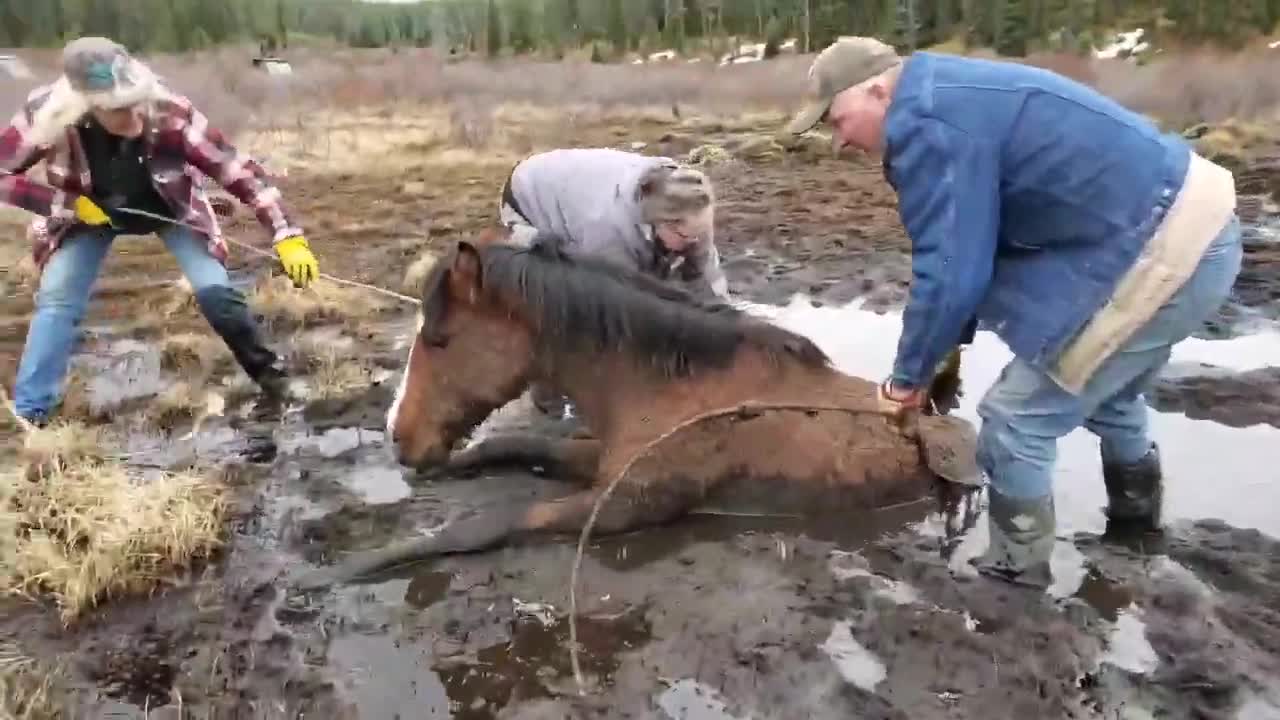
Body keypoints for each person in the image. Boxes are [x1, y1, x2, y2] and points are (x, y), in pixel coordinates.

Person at [784, 38, 1241, 588]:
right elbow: (976, 245)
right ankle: (1135, 535)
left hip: (1164, 249)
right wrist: (947, 355)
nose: (838, 142)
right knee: (1111, 393)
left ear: (877, 90)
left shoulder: (928, 125)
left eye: (836, 121)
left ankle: (1015, 577)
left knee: (1014, 420)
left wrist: (906, 381)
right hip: (1198, 222)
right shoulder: (948, 92)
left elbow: (951, 271)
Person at [1, 37, 319, 426]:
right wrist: (64, 204)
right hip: (86, 215)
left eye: (136, 100)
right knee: (58, 300)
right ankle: (32, 413)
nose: (134, 116)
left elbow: (236, 170)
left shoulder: (168, 109)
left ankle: (274, 380)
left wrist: (288, 235)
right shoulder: (45, 113)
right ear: (85, 104)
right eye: (119, 109)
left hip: (172, 209)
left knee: (215, 291)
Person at [497, 147, 730, 416]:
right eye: (686, 238)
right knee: (561, 306)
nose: (694, 243)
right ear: (660, 223)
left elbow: (707, 279)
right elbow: (620, 315)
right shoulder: (608, 233)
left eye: (699, 235)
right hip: (528, 200)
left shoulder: (692, 205)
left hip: (585, 190)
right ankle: (549, 403)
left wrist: (727, 332)